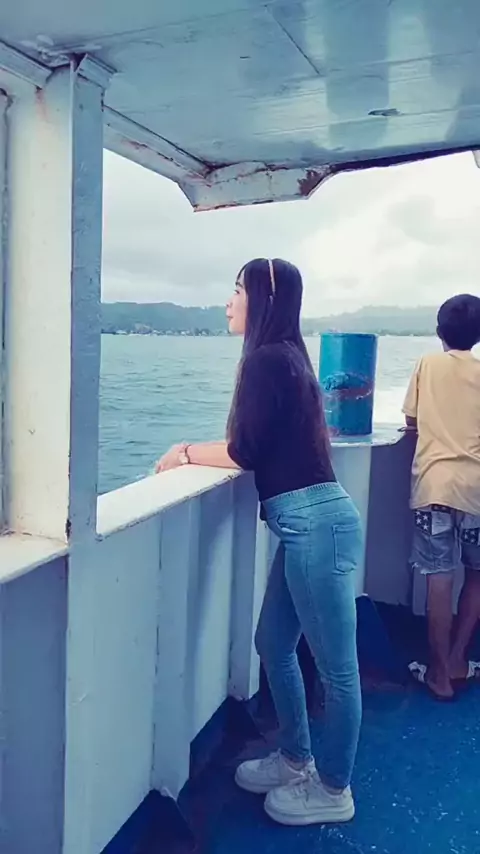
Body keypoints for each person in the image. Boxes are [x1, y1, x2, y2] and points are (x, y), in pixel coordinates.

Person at [156, 258, 363, 826]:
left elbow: (243, 451)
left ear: (263, 300)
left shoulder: (267, 360)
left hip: (316, 526)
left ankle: (334, 788)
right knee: (272, 642)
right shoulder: (287, 358)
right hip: (306, 524)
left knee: (337, 669)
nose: (228, 302)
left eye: (237, 290)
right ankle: (295, 758)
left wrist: (183, 452)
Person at [404, 294, 480, 701]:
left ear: (439, 332)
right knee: (477, 575)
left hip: (434, 488)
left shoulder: (427, 365)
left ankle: (438, 674)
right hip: (477, 492)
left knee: (439, 577)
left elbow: (411, 419)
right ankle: (456, 659)